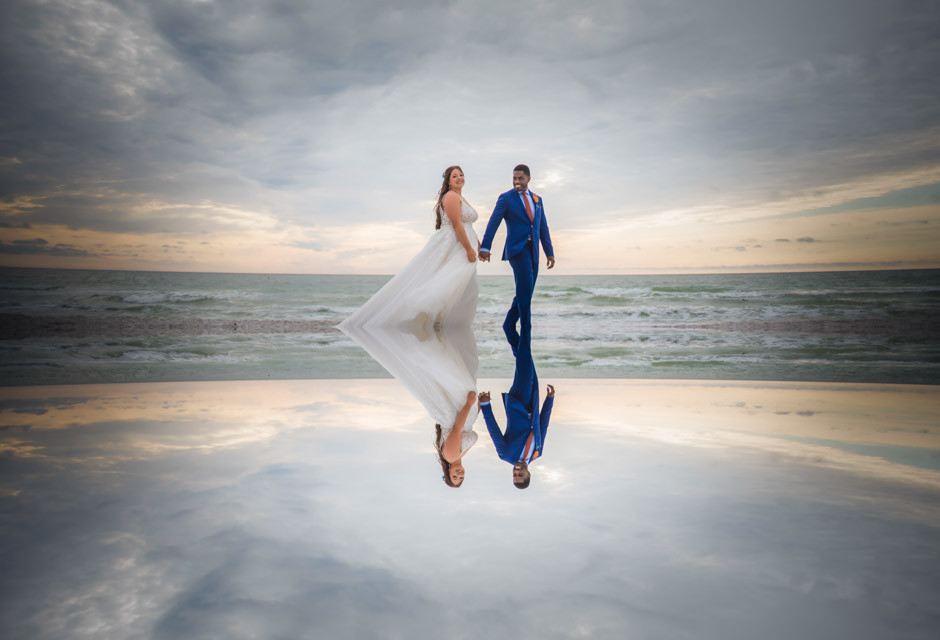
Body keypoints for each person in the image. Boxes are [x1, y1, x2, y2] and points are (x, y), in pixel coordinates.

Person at [340, 165, 479, 331]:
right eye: (454, 176)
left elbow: (467, 225)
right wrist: (469, 249)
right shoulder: (450, 197)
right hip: (454, 245)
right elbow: (457, 225)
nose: (459, 178)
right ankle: (420, 316)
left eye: (461, 175)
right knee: (447, 280)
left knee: (462, 284)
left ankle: (445, 324)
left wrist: (480, 247)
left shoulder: (461, 197)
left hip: (463, 244)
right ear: (448, 181)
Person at [478, 164, 555, 353]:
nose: (517, 182)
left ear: (528, 178)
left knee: (526, 291)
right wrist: (486, 247)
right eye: (514, 178)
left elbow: (542, 226)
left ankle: (509, 323)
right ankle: (526, 330)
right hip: (517, 251)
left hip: (533, 252)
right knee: (525, 290)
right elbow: (494, 221)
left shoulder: (538, 199)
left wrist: (549, 251)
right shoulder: (506, 198)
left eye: (520, 178)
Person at [479, 333, 555, 489]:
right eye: (521, 475)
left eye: (515, 475)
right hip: (533, 400)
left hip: (518, 403)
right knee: (525, 358)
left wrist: (486, 406)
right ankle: (509, 327)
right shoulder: (537, 453)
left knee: (525, 357)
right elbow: (543, 426)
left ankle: (523, 309)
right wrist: (550, 400)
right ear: (529, 474)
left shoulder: (506, 455)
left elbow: (494, 431)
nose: (517, 471)